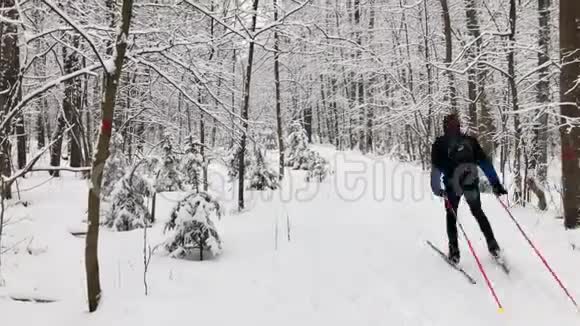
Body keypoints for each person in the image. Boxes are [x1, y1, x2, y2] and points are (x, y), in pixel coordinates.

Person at [430, 113, 508, 264]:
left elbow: (435, 171)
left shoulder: (439, 144)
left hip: (452, 187)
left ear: (444, 126)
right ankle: (493, 247)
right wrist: (496, 184)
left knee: (451, 216)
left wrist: (437, 189)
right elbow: (485, 164)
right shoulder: (470, 141)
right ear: (458, 125)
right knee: (478, 213)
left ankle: (454, 252)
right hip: (470, 183)